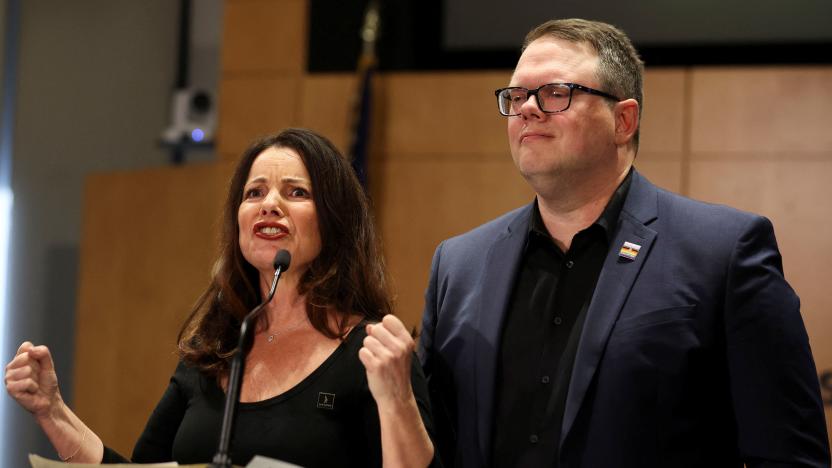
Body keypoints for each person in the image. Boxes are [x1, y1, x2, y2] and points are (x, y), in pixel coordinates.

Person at [418, 18, 830, 468]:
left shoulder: (724, 253)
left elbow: (791, 457)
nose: (527, 110)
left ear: (623, 120)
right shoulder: (458, 264)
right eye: (516, 96)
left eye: (556, 93)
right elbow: (429, 446)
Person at [5, 128, 436, 467]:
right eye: (255, 193)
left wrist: (396, 399)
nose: (269, 204)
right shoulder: (215, 348)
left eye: (296, 192)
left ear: (335, 220)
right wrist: (53, 412)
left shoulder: (375, 354)